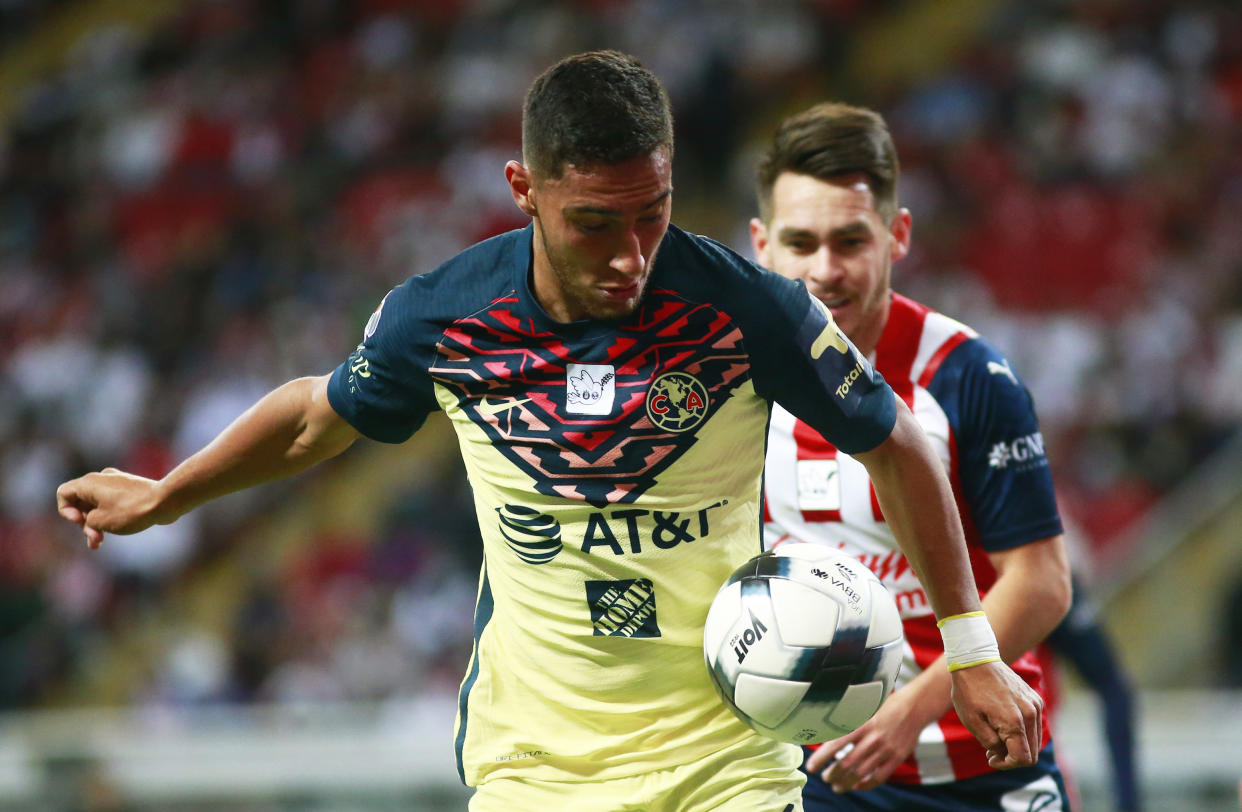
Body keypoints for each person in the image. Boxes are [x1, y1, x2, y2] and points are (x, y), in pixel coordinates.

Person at [57, 53, 1042, 812]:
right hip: (534, 761)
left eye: (651, 214)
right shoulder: (443, 316)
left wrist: (970, 646)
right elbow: (319, 415)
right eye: (594, 223)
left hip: (725, 755)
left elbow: (899, 442)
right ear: (524, 190)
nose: (631, 254)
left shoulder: (749, 311)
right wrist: (167, 493)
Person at [751, 101, 1074, 810]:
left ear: (897, 235)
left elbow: (1043, 580)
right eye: (800, 243)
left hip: (983, 763)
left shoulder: (966, 375)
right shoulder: (733, 388)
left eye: (850, 242)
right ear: (761, 245)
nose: (824, 270)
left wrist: (910, 711)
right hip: (819, 773)